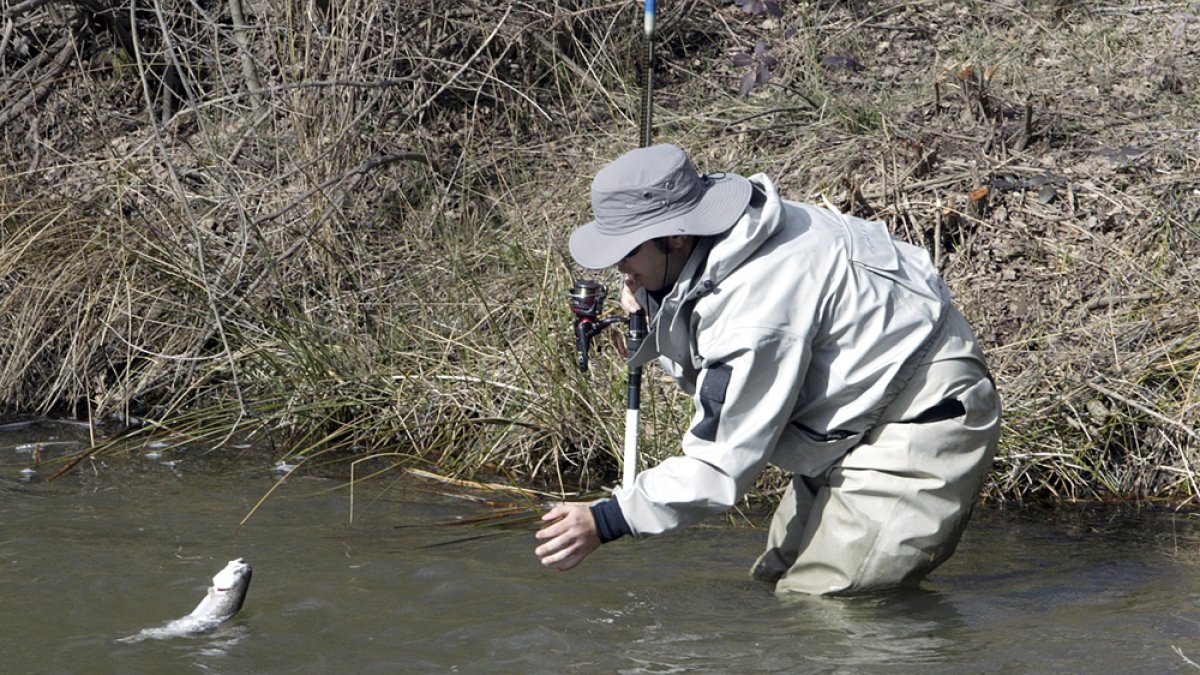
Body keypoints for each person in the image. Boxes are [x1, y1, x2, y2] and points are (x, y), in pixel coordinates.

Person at [534, 143, 1000, 595]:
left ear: (676, 236)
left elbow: (721, 464)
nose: (621, 269)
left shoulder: (757, 307)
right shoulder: (743, 229)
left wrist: (605, 519)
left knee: (824, 608)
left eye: (628, 253)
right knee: (775, 581)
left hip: (918, 420)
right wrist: (656, 297)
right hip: (856, 412)